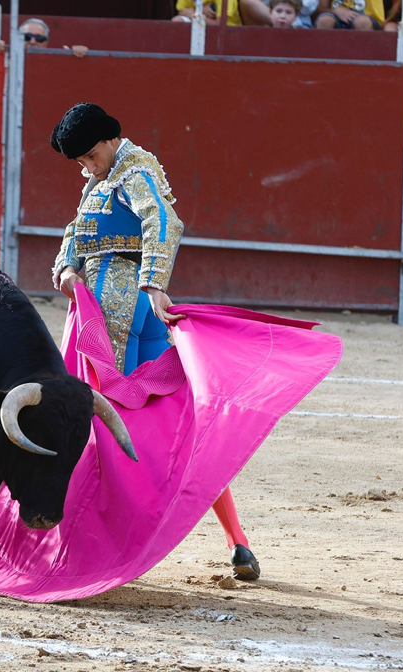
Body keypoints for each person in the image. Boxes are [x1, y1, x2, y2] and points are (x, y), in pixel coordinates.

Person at [50, 103, 261, 581]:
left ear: (107, 140)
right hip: (129, 305)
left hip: (118, 310)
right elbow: (76, 230)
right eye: (79, 161)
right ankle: (238, 542)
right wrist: (65, 267)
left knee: (105, 420)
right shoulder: (106, 179)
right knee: (174, 421)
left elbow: (162, 223)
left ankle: (102, 543)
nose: (86, 166)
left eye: (88, 156)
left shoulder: (132, 169)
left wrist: (152, 283)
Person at [171, 0, 272, 27]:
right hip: (201, 22)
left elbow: (219, 26)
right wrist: (200, 10)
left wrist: (195, 14)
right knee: (176, 21)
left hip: (228, 34)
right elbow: (182, 11)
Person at [315, 0, 385, 30]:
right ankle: (321, 59)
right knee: (325, 21)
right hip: (336, 15)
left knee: (362, 22)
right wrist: (335, 10)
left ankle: (366, 59)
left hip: (366, 17)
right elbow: (321, 9)